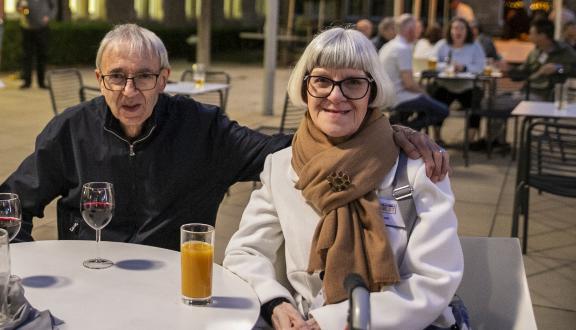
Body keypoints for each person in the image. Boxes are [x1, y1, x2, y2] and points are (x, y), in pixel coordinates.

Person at [1, 24, 449, 251]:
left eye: (143, 77)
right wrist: (31, 267)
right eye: (116, 77)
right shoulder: (71, 129)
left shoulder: (204, 129)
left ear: (164, 78)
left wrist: (381, 133)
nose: (129, 91)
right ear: (99, 79)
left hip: (173, 285)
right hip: (91, 276)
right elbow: (11, 206)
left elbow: (285, 148)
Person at [223, 26, 462, 330]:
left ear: (372, 91)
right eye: (322, 81)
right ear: (305, 87)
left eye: (352, 82)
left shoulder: (420, 168)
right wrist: (275, 302)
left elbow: (434, 281)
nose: (335, 96)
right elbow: (246, 252)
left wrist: (331, 322)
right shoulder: (281, 166)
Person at [379, 14, 449, 137]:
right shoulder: (403, 48)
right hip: (399, 97)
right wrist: (424, 92)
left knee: (425, 103)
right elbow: (409, 84)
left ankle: (402, 128)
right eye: (418, 29)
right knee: (443, 110)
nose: (420, 32)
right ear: (411, 30)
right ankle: (404, 132)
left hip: (386, 95)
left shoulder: (388, 46)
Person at [432, 17, 486, 144]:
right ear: (450, 30)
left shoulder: (475, 46)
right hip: (445, 84)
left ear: (467, 31)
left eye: (461, 28)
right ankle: (437, 137)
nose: (458, 31)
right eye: (455, 28)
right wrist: (448, 67)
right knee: (436, 100)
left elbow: (480, 66)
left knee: (475, 106)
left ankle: (469, 141)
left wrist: (464, 67)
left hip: (467, 86)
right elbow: (432, 63)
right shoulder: (442, 45)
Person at [508, 19, 576, 101]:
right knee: (501, 100)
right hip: (528, 91)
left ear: (542, 35)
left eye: (532, 34)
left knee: (506, 104)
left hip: (549, 96)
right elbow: (523, 71)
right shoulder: (535, 52)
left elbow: (573, 69)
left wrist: (558, 68)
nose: (529, 36)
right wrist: (508, 69)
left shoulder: (564, 51)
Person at [17, 0, 56, 89]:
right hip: (27, 28)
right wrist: (20, 9)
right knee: (27, 55)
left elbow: (54, 7)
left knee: (42, 55)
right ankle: (27, 82)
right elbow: (18, 7)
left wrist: (49, 17)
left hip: (42, 28)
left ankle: (41, 82)